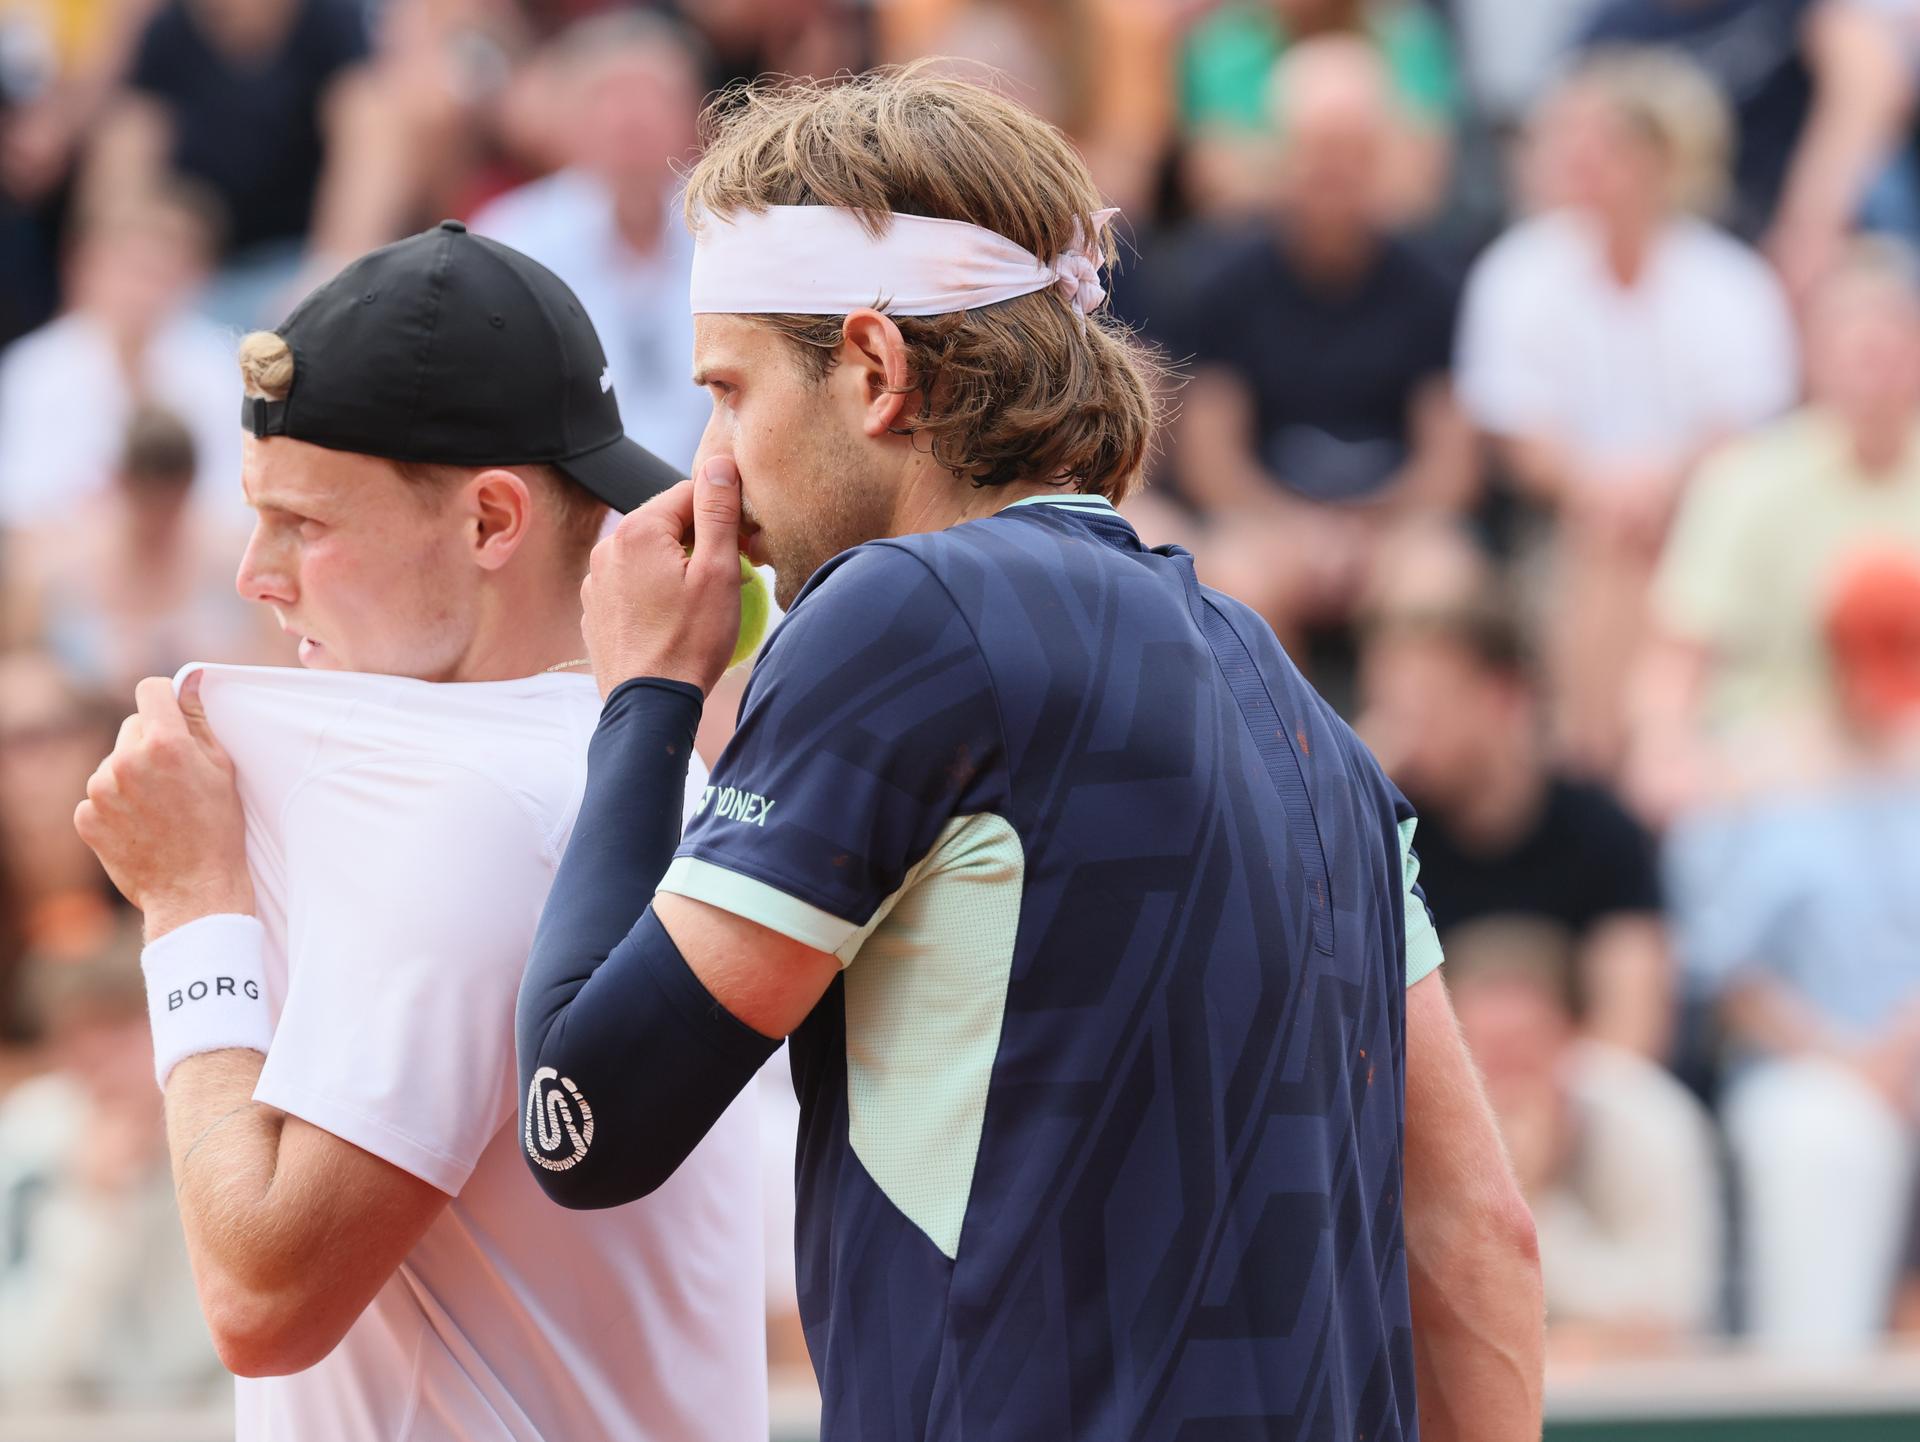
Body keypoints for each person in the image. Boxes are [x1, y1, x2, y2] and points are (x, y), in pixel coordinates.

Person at [515, 69, 1543, 1440]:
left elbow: (585, 1118)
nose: (711, 467)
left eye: (728, 390)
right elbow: (1481, 1237)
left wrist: (643, 694)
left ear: (874, 373)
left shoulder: (901, 614)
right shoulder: (1297, 698)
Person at [71, 221, 766, 1440]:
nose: (256, 572)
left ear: (493, 521)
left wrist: (190, 905)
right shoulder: (610, 762)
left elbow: (263, 1295)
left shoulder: (474, 806)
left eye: (305, 522)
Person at [1458, 47, 1798, 774]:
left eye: (1609, 147)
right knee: (1608, 548)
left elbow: (1745, 432)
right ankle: (1621, 762)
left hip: (1704, 521)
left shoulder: (1732, 282)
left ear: (1664, 161)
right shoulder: (1518, 271)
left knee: (1635, 549)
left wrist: (1657, 487)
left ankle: (1602, 766)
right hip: (1565, 527)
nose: (1584, 163)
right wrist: (1604, 490)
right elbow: (1518, 435)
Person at [1668, 552, 1920, 1352]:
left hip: (1907, 1053)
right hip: (1806, 1065)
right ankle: (1818, 1401)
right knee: (1824, 1143)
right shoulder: (1753, 773)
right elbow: (1725, 977)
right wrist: (1850, 1059)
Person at [1167, 36, 1475, 653]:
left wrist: (1364, 532)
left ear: (1385, 156)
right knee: (1233, 585)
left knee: (1441, 585)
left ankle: (1403, 750)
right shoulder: (1223, 281)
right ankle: (1276, 752)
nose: (1335, 170)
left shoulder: (1434, 283)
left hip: (1395, 532)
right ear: (1281, 154)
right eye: (1317, 149)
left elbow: (1451, 466)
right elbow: (1211, 458)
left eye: (1354, 150)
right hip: (1264, 524)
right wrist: (1297, 531)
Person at [1637, 240, 1920, 811]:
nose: (1874, 370)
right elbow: (1677, 656)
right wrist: (1664, 749)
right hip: (1778, 767)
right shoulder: (1744, 481)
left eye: (1890, 347)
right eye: (1855, 349)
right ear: (1813, 357)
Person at [1358, 606, 1674, 1061]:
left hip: (1575, 1103)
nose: (1403, 732)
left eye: (1424, 705)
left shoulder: (1601, 832)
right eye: (1388, 707)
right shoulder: (1385, 843)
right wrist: (1359, 793)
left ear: (1502, 696)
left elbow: (1633, 1028)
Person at [1446, 917, 1722, 1358]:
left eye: (1524, 1048)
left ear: (1571, 1036)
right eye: (1485, 1051)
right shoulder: (1417, 1132)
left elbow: (1670, 1312)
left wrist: (1529, 1206)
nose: (1506, 1080)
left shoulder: (1649, 1118)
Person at [471, 11, 711, 470]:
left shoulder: (733, 228)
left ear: (693, 113)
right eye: (607, 96)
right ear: (565, 119)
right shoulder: (512, 237)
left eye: (653, 96)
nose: (630, 118)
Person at [1576, 0, 1915, 295]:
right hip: (1674, 233)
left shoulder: (1785, 8)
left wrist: (1809, 228)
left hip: (1786, 223)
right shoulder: (1612, 30)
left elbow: (1872, 77)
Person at [0, 186, 245, 530]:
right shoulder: (35, 369)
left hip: (190, 552)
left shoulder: (222, 368)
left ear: (195, 278)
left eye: (159, 273)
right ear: (84, 268)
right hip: (76, 549)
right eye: (130, 268)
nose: (141, 291)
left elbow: (236, 500)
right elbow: (21, 502)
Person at [4, 406, 284, 694]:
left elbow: (281, 665)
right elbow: (19, 677)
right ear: (121, 482)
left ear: (190, 485)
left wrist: (210, 662)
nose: (158, 519)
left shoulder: (236, 559)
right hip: (89, 727)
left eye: (171, 505)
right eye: (146, 503)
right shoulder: (53, 564)